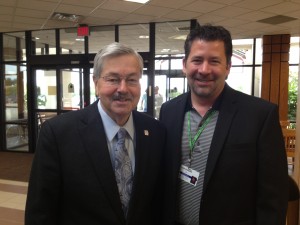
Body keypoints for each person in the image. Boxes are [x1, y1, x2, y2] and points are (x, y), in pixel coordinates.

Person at [25, 42, 167, 225]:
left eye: (132, 79)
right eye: (113, 79)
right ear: (96, 83)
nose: (123, 89)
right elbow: (40, 210)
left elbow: (158, 202)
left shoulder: (156, 132)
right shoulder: (58, 133)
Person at [159, 24, 288, 225]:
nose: (204, 70)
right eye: (197, 60)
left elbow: (274, 197)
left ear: (228, 67)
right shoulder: (169, 111)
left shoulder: (260, 115)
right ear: (185, 64)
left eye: (214, 61)